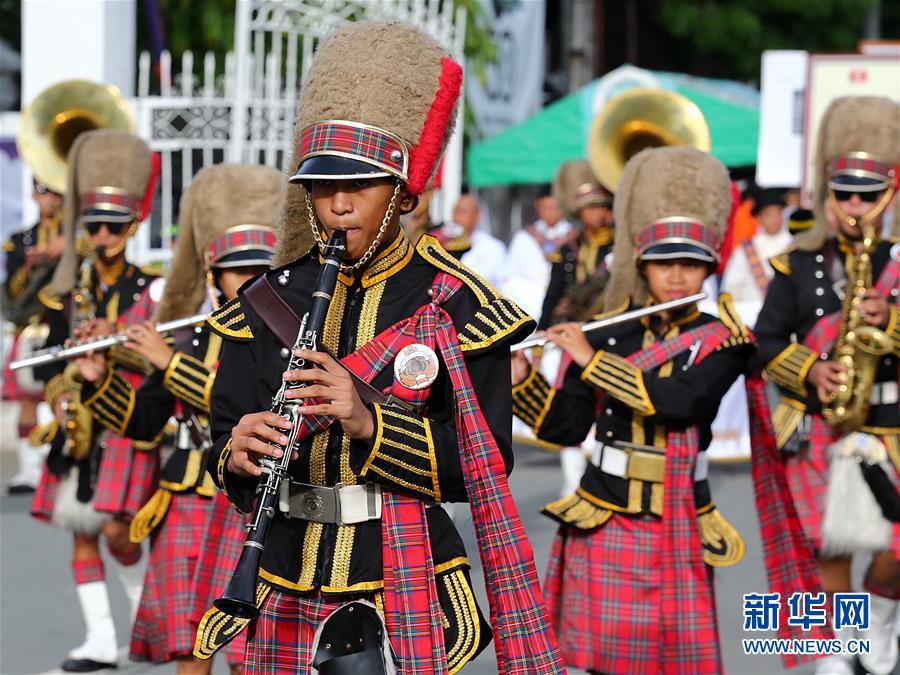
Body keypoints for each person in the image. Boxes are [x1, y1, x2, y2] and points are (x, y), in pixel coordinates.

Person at [196, 22, 563, 674]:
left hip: (402, 570)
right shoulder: (265, 300)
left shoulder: (460, 303)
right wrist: (239, 452)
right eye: (322, 187)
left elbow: (483, 467)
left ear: (403, 190)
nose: (339, 205)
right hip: (281, 571)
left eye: (360, 185)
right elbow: (224, 442)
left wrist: (369, 422)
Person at [512, 147, 825, 674]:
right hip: (603, 515)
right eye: (664, 263)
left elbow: (680, 403)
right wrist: (521, 378)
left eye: (690, 264)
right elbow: (566, 426)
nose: (677, 276)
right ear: (643, 265)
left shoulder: (725, 340)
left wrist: (590, 360)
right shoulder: (611, 330)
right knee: (601, 665)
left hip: (678, 517)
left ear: (708, 268)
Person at [74, 164, 283, 674]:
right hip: (187, 498)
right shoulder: (191, 335)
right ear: (214, 275)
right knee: (190, 643)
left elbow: (240, 407)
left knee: (249, 650)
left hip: (252, 500)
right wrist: (99, 380)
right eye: (237, 271)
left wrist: (168, 363)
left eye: (259, 270)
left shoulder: (285, 337)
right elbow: (143, 421)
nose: (248, 282)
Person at [755, 96, 900, 675]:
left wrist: (890, 321)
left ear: (889, 194)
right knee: (828, 546)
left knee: (895, 552)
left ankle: (880, 621)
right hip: (822, 423)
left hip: (893, 426)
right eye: (844, 194)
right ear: (828, 196)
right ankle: (840, 647)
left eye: (868, 194)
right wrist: (811, 369)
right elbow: (766, 341)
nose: (855, 206)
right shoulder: (797, 264)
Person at [30, 129, 160, 672]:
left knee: (117, 533)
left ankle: (145, 621)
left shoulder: (151, 288)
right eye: (94, 225)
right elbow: (48, 361)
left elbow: (161, 357)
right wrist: (60, 393)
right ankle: (101, 640)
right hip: (79, 426)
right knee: (82, 536)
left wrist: (115, 340)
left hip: (125, 421)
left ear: (132, 227)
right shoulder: (67, 291)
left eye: (114, 225)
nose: (103, 234)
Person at [2, 179, 65, 493]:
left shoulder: (74, 236)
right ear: (33, 196)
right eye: (43, 192)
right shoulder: (20, 240)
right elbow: (13, 293)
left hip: (61, 325)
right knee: (26, 399)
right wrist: (28, 268)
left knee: (61, 395)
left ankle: (56, 465)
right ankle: (29, 470)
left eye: (55, 192)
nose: (49, 199)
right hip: (30, 327)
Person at [538, 159, 614, 330]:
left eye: (603, 206)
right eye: (592, 207)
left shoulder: (617, 246)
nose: (599, 213)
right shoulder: (567, 250)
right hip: (574, 328)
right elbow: (552, 297)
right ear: (580, 211)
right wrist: (542, 332)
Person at [721, 187, 791, 327]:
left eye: (777, 213)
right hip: (752, 318)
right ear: (758, 219)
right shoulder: (745, 250)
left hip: (789, 317)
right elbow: (731, 289)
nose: (775, 219)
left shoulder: (794, 245)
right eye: (768, 214)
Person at [502, 190, 574, 320]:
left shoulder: (573, 237)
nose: (551, 212)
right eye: (546, 208)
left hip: (562, 305)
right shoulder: (524, 237)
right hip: (527, 304)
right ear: (538, 208)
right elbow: (510, 275)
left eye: (555, 207)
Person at [435, 193, 506, 287]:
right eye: (455, 211)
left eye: (463, 211)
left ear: (476, 216)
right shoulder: (439, 240)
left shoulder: (494, 248)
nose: (457, 217)